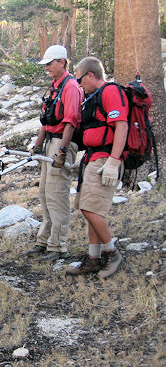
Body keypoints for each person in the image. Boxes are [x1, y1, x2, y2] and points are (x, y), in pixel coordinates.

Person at [66, 57, 126, 278]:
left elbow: (121, 125)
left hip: (104, 159)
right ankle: (93, 258)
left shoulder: (110, 91)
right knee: (88, 208)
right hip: (91, 159)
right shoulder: (94, 96)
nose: (79, 84)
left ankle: (112, 253)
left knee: (91, 209)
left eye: (80, 79)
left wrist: (114, 160)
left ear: (90, 75)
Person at [27, 45, 84, 262]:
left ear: (62, 62)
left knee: (57, 195)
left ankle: (58, 247)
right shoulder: (55, 86)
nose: (47, 68)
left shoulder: (70, 87)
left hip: (61, 143)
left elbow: (70, 121)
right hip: (51, 142)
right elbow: (46, 119)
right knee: (44, 193)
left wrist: (62, 151)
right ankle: (44, 241)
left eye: (50, 64)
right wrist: (38, 145)